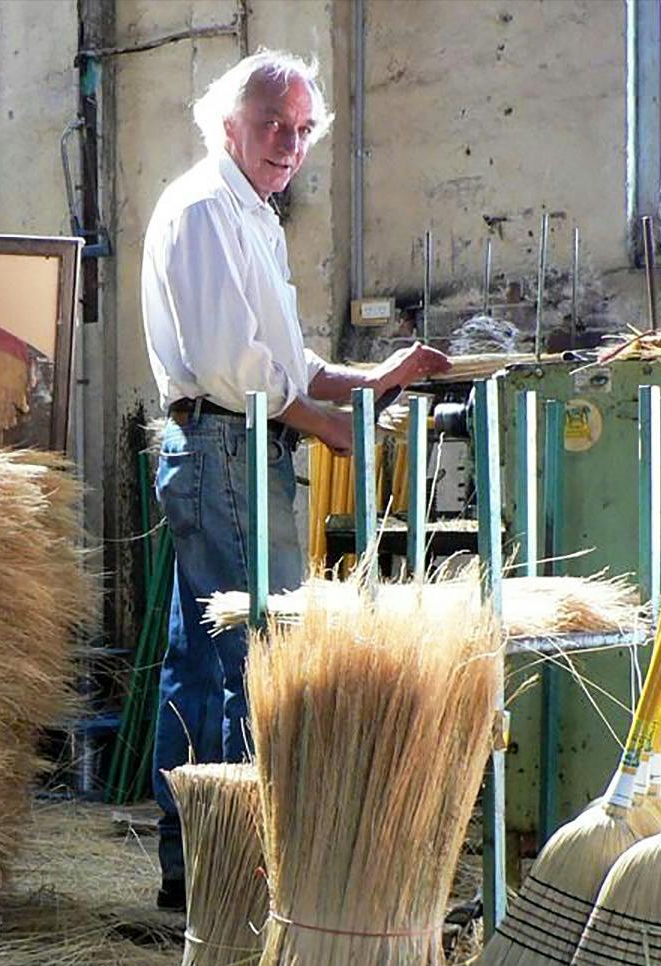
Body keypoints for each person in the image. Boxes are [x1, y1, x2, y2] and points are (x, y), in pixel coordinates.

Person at [141, 49, 450, 910]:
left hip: (236, 447)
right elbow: (234, 371)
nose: (291, 144)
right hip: (225, 447)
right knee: (251, 654)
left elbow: (284, 360)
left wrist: (372, 377)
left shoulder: (254, 216)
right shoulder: (207, 209)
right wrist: (328, 428)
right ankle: (229, 867)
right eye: (276, 125)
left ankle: (199, 865)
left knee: (204, 658)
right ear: (228, 125)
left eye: (305, 130)